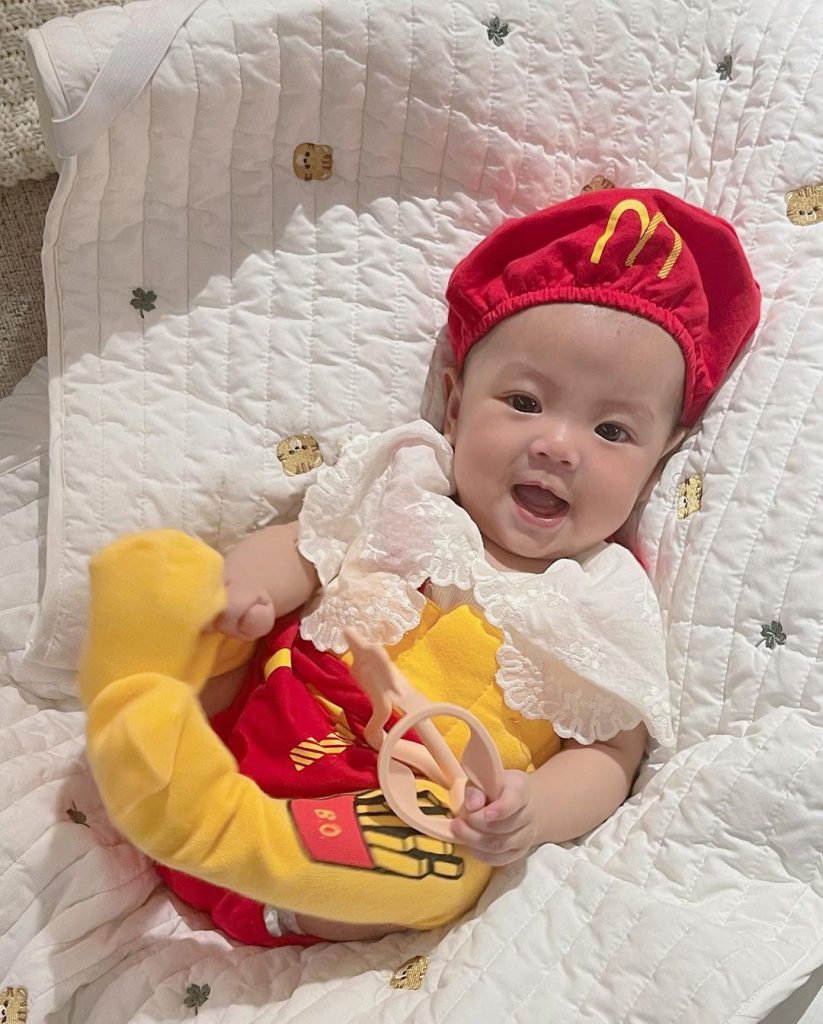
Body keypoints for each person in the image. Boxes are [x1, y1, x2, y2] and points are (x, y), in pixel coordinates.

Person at [76, 187, 761, 947]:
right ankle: (141, 699)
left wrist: (536, 807)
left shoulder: (605, 594)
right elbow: (306, 546)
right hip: (261, 718)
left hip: (385, 813)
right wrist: (248, 590)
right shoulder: (411, 491)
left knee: (445, 872)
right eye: (525, 402)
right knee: (178, 584)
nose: (558, 446)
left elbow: (609, 752)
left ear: (657, 461)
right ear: (456, 405)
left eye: (610, 429)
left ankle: (242, 848)